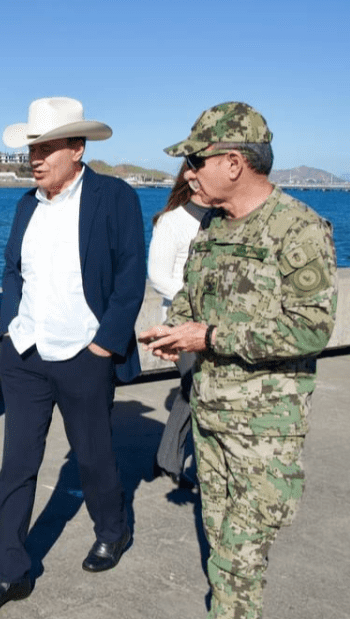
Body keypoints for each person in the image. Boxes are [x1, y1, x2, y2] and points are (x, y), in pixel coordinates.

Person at [139, 102, 338, 619]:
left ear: (233, 162)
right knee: (219, 544)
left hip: (264, 429)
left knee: (238, 561)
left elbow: (311, 327)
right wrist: (175, 329)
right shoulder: (212, 227)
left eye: (195, 160)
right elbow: (191, 295)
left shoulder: (298, 229)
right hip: (211, 417)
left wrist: (207, 335)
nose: (188, 173)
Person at [0, 97, 146, 613]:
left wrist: (104, 344)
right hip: (24, 354)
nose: (35, 158)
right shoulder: (28, 204)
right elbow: (12, 270)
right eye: (32, 148)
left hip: (84, 354)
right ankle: (9, 574)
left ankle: (112, 529)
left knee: (93, 456)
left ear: (77, 148)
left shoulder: (115, 198)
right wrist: (10, 329)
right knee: (16, 466)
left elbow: (131, 278)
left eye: (46, 148)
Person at [148, 162, 211, 486]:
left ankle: (167, 460)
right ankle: (172, 462)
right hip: (180, 321)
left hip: (214, 327)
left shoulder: (223, 219)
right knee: (194, 391)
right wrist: (203, 301)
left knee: (196, 393)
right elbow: (158, 276)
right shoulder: (171, 222)